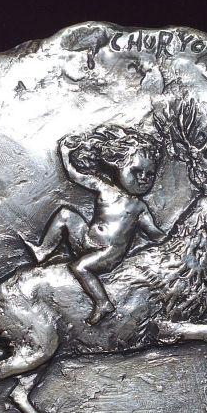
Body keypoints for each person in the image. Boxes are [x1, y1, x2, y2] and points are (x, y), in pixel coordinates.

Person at [25, 124, 165, 324]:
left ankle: (103, 302)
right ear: (118, 166)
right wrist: (64, 153)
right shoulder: (105, 189)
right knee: (65, 215)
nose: (143, 179)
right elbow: (75, 175)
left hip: (108, 253)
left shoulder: (139, 207)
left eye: (149, 175)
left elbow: (154, 232)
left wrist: (174, 239)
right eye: (136, 171)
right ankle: (43, 251)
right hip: (86, 240)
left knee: (80, 267)